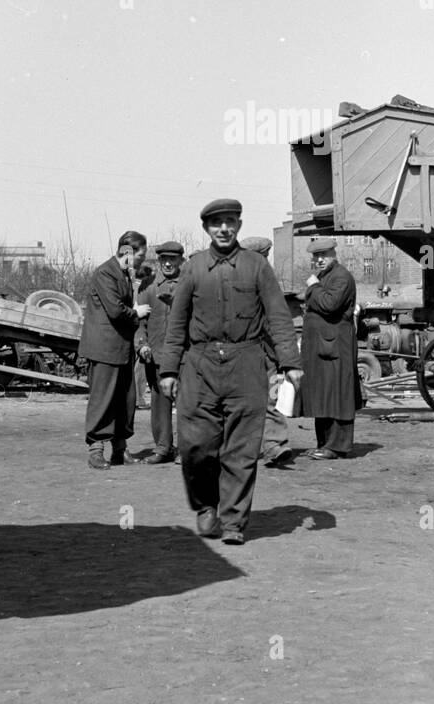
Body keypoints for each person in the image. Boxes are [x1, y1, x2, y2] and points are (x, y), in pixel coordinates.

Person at [159, 199, 302, 545]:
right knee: (196, 445)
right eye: (216, 223)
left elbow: (279, 317)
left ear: (238, 225)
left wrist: (291, 363)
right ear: (206, 228)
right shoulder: (193, 268)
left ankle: (234, 521)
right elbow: (176, 323)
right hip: (199, 364)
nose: (223, 229)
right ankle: (206, 504)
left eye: (230, 222)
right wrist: (169, 370)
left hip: (246, 362)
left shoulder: (257, 267)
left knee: (241, 449)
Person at [77, 230, 150, 469]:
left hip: (121, 347)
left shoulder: (124, 275)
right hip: (104, 348)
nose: (142, 259)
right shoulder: (105, 273)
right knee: (103, 400)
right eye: (141, 254)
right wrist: (136, 313)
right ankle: (96, 450)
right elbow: (116, 310)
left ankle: (120, 449)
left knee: (124, 400)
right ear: (128, 252)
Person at [298, 238, 360, 459]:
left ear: (335, 252)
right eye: (316, 256)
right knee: (324, 394)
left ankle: (336, 446)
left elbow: (329, 304)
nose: (319, 259)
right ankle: (324, 444)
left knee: (338, 394)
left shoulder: (341, 276)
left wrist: (312, 287)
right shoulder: (327, 276)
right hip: (326, 346)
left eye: (324, 254)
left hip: (336, 346)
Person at [240, 235, 295, 467]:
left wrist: (287, 358)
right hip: (244, 354)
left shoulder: (267, 283)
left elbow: (278, 322)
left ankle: (275, 446)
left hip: (267, 354)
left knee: (272, 399)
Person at [134, 240, 185, 464]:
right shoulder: (148, 285)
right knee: (160, 404)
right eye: (163, 259)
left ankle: (186, 450)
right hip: (156, 354)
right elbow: (139, 321)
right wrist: (142, 344)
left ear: (181, 261)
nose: (167, 263)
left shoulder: (190, 284)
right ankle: (163, 447)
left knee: (187, 405)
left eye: (172, 259)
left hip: (185, 356)